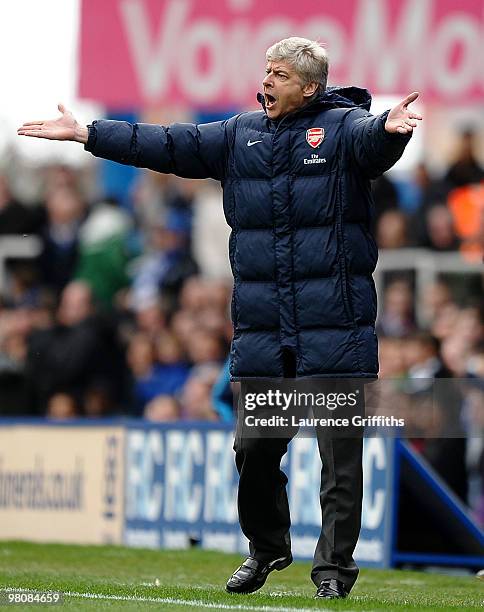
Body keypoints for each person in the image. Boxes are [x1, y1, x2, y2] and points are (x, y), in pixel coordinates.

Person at [18, 37, 421, 599]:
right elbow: (164, 144)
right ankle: (267, 547)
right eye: (266, 71)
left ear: (310, 86)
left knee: (339, 457)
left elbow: (370, 143)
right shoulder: (239, 135)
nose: (267, 82)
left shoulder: (342, 129)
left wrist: (389, 129)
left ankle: (332, 572)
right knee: (254, 450)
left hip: (335, 329)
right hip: (263, 330)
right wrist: (89, 133)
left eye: (279, 75)